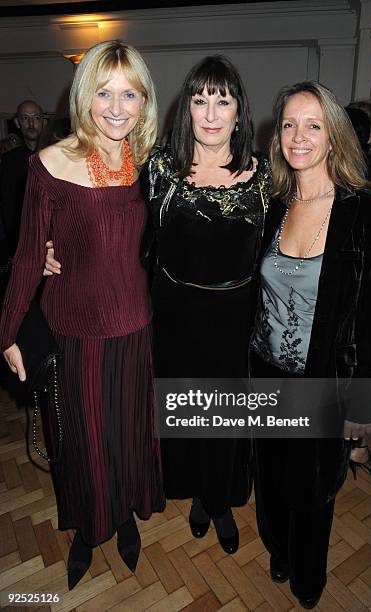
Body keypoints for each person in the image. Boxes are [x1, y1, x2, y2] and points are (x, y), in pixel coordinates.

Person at [47, 55, 271, 553]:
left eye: (223, 100)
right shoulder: (159, 170)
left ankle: (218, 501)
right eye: (199, 100)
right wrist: (52, 250)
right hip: (171, 318)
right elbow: (113, 227)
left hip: (234, 322)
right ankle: (193, 496)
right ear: (184, 108)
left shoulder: (264, 177)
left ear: (239, 110)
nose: (211, 114)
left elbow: (281, 249)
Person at [0, 40, 165, 591]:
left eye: (130, 94)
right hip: (76, 328)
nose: (116, 107)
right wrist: (7, 332)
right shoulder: (49, 163)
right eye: (103, 91)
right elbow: (28, 253)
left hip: (134, 326)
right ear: (83, 95)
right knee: (80, 439)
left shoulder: (146, 162)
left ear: (144, 101)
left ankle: (120, 516)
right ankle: (86, 528)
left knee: (123, 436)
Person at [251, 81, 371, 608]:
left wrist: (363, 404)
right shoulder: (273, 204)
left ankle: (309, 577)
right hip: (264, 372)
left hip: (323, 384)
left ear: (333, 134)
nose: (298, 136)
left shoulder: (365, 211)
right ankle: (279, 552)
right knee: (271, 478)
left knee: (313, 491)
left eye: (312, 124)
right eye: (289, 124)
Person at [0, 101, 46, 260]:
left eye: (36, 118)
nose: (31, 123)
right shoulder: (9, 161)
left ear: (43, 122)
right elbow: (7, 205)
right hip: (22, 240)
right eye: (25, 118)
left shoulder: (58, 156)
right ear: (17, 123)